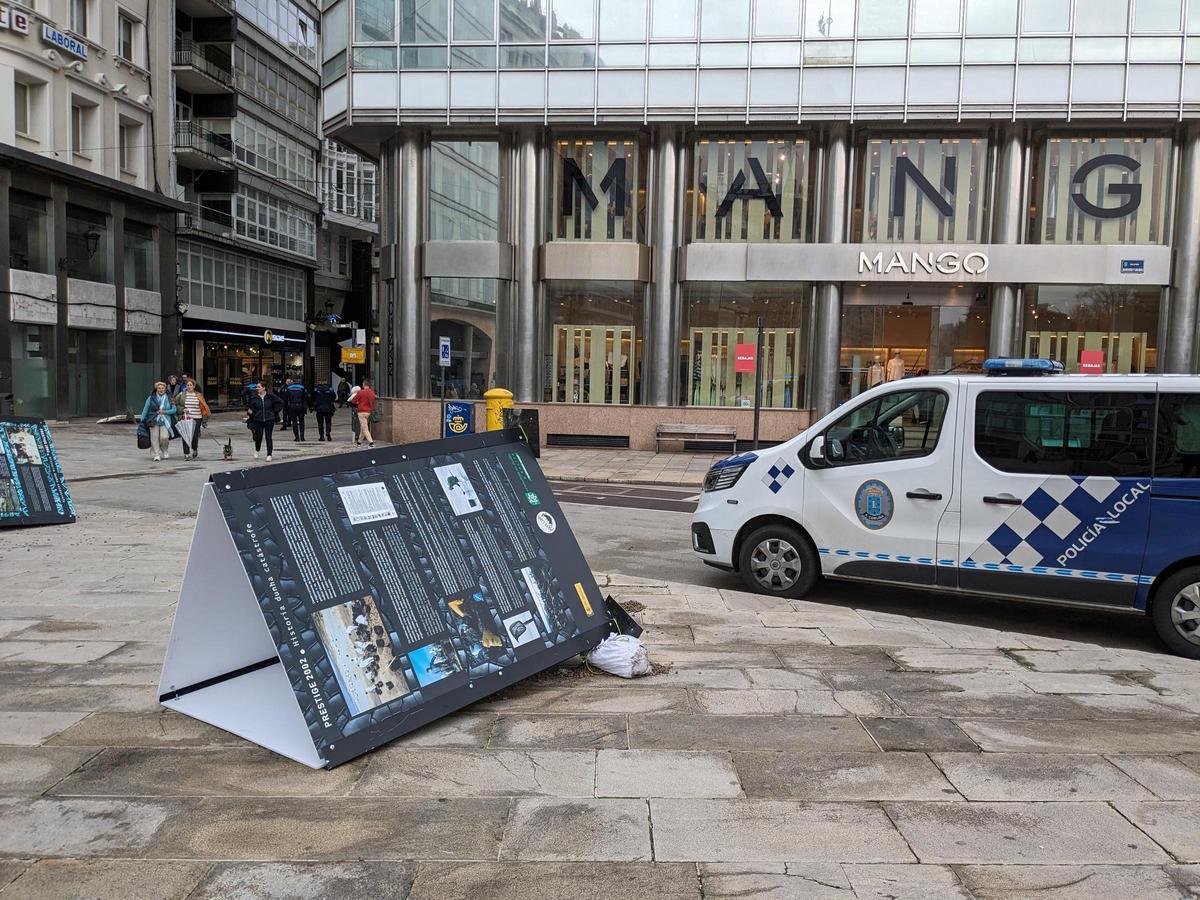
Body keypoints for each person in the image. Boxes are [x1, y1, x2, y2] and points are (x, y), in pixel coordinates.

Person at [244, 382, 283, 461]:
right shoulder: (254, 397)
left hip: (269, 419)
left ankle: (269, 454)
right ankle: (257, 450)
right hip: (258, 419)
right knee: (258, 437)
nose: (257, 388)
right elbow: (251, 407)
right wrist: (249, 414)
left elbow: (281, 402)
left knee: (268, 437)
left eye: (259, 387)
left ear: (264, 388)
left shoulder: (270, 396)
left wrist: (275, 411)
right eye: (257, 387)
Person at [139, 382, 176, 462]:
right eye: (159, 388)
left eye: (162, 388)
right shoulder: (151, 398)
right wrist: (142, 420)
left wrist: (165, 412)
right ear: (156, 389)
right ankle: (156, 454)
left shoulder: (170, 398)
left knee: (164, 437)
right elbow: (145, 409)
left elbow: (174, 410)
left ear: (165, 389)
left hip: (165, 421)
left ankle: (164, 449)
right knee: (154, 437)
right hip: (153, 420)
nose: (161, 390)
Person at [175, 378, 210, 460]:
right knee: (185, 435)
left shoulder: (199, 395)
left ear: (194, 386)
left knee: (194, 436)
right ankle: (186, 453)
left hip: (197, 418)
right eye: (188, 385)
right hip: (185, 418)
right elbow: (174, 405)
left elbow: (204, 408)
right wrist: (182, 410)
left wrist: (204, 420)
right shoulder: (181, 394)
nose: (189, 386)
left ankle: (195, 449)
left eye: (191, 385)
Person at [349, 378, 376, 449]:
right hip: (368, 412)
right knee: (363, 428)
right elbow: (373, 401)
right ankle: (359, 442)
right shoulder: (372, 392)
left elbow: (353, 401)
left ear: (363, 385)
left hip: (361, 412)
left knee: (365, 428)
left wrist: (359, 402)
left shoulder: (361, 392)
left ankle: (371, 443)